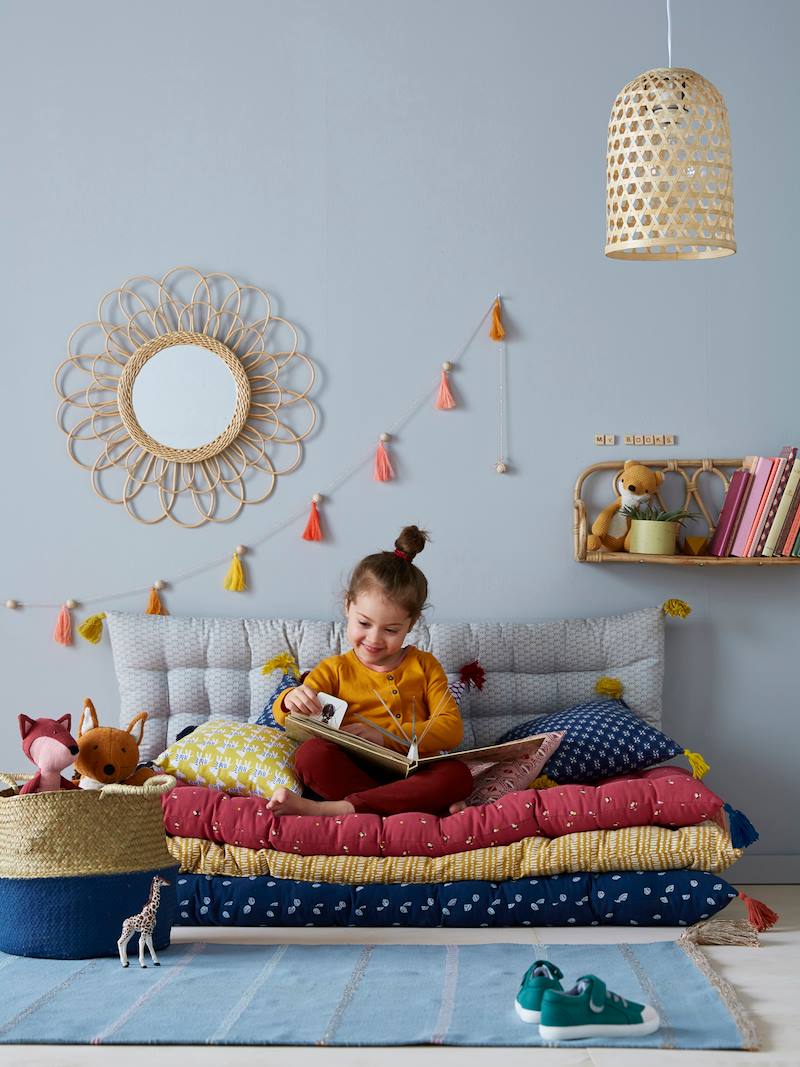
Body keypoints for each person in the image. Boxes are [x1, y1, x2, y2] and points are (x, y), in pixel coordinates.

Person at [267, 525, 472, 817]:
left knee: (457, 774)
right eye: (364, 624)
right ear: (348, 606)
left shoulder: (424, 666)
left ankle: (340, 809)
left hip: (414, 774)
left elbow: (451, 729)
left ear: (411, 625)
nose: (374, 639)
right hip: (353, 773)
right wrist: (288, 699)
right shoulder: (334, 670)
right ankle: (420, 807)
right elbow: (292, 718)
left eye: (391, 630)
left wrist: (384, 736)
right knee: (310, 756)